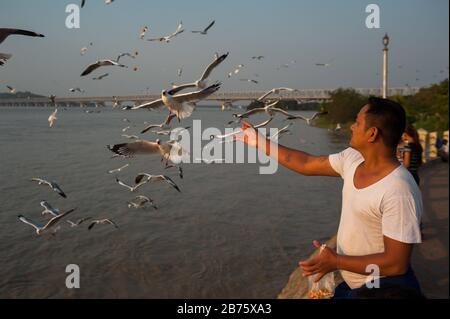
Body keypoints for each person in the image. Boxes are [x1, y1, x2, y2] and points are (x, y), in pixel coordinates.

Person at [235, 97, 423, 299]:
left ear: (372, 134)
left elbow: (396, 263)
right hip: (356, 285)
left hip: (384, 289)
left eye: (357, 122)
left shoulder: (398, 188)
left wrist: (336, 262)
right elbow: (306, 163)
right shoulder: (353, 159)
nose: (352, 127)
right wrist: (258, 141)